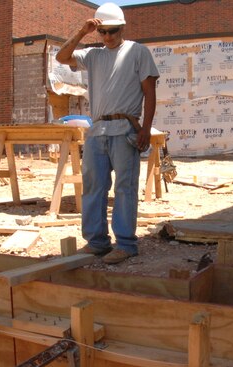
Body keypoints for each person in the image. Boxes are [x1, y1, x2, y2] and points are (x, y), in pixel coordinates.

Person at [56, 2, 159, 265]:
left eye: (113, 31)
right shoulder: (93, 55)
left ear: (122, 28)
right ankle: (97, 242)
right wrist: (82, 32)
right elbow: (61, 58)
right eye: (103, 32)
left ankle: (125, 244)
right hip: (97, 129)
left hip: (125, 128)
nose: (108, 37)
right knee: (93, 186)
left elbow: (150, 93)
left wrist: (145, 129)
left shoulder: (137, 52)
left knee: (125, 188)